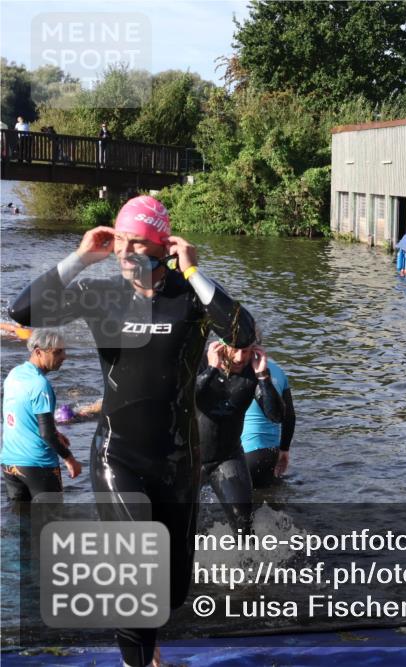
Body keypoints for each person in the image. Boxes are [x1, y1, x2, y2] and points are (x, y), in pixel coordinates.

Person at [8, 195, 256, 667]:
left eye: (138, 243)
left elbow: (244, 334)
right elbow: (23, 312)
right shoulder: (102, 296)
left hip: (179, 459)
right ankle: (136, 661)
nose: (125, 252)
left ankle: (147, 645)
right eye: (121, 240)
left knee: (172, 589)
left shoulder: (189, 299)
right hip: (118, 455)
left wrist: (195, 272)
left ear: (164, 249)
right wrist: (82, 256)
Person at [197, 340, 282, 533]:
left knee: (243, 525)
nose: (239, 358)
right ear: (221, 345)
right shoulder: (200, 361)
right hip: (189, 457)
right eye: (235, 351)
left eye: (245, 351)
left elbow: (275, 416)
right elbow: (185, 396)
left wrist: (263, 376)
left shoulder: (252, 372)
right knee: (179, 521)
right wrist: (211, 370)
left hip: (227, 457)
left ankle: (247, 562)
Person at [1, 329, 82, 503]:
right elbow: (46, 434)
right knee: (51, 523)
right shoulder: (40, 384)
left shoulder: (14, 374)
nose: (64, 356)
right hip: (38, 465)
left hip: (10, 464)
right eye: (58, 352)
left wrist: (55, 432)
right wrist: (70, 459)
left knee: (20, 523)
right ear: (38, 352)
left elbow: (19, 413)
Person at [240, 333, 295, 487]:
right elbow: (289, 416)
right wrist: (284, 450)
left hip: (244, 454)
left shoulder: (238, 371)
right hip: (271, 453)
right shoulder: (278, 371)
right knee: (269, 501)